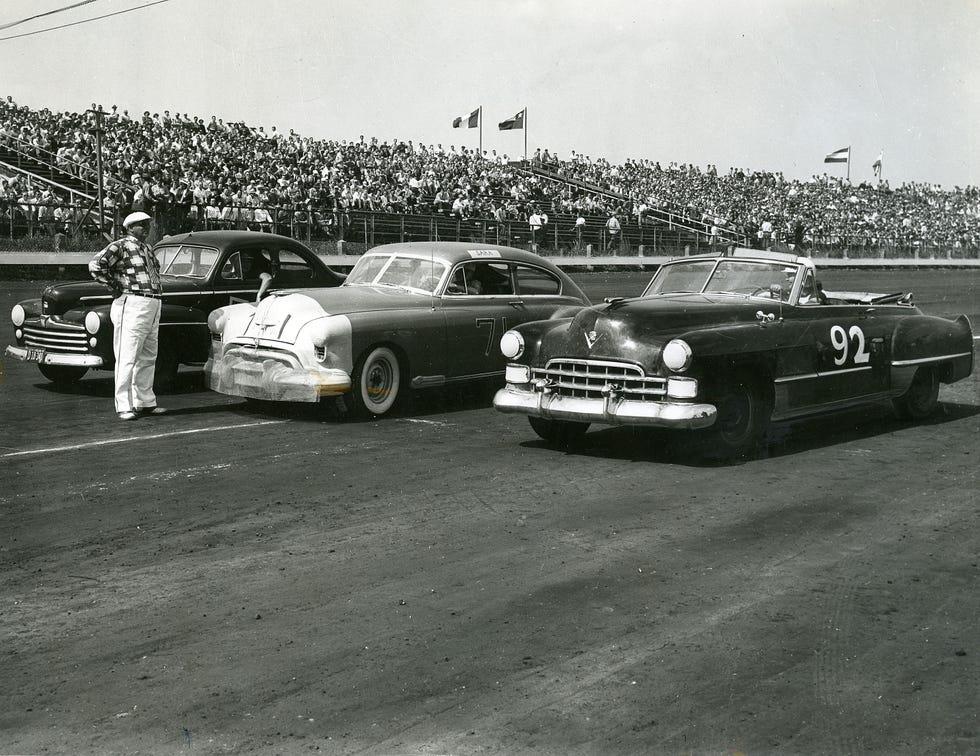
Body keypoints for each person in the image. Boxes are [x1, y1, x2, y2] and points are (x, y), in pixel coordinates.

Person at [88, 211, 166, 420]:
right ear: (129, 227)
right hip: (132, 301)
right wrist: (114, 285)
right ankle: (124, 404)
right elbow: (96, 265)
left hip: (152, 302)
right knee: (127, 355)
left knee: (148, 355)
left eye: (147, 224)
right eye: (141, 225)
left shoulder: (147, 248)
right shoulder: (120, 245)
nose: (146, 228)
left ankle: (145, 401)